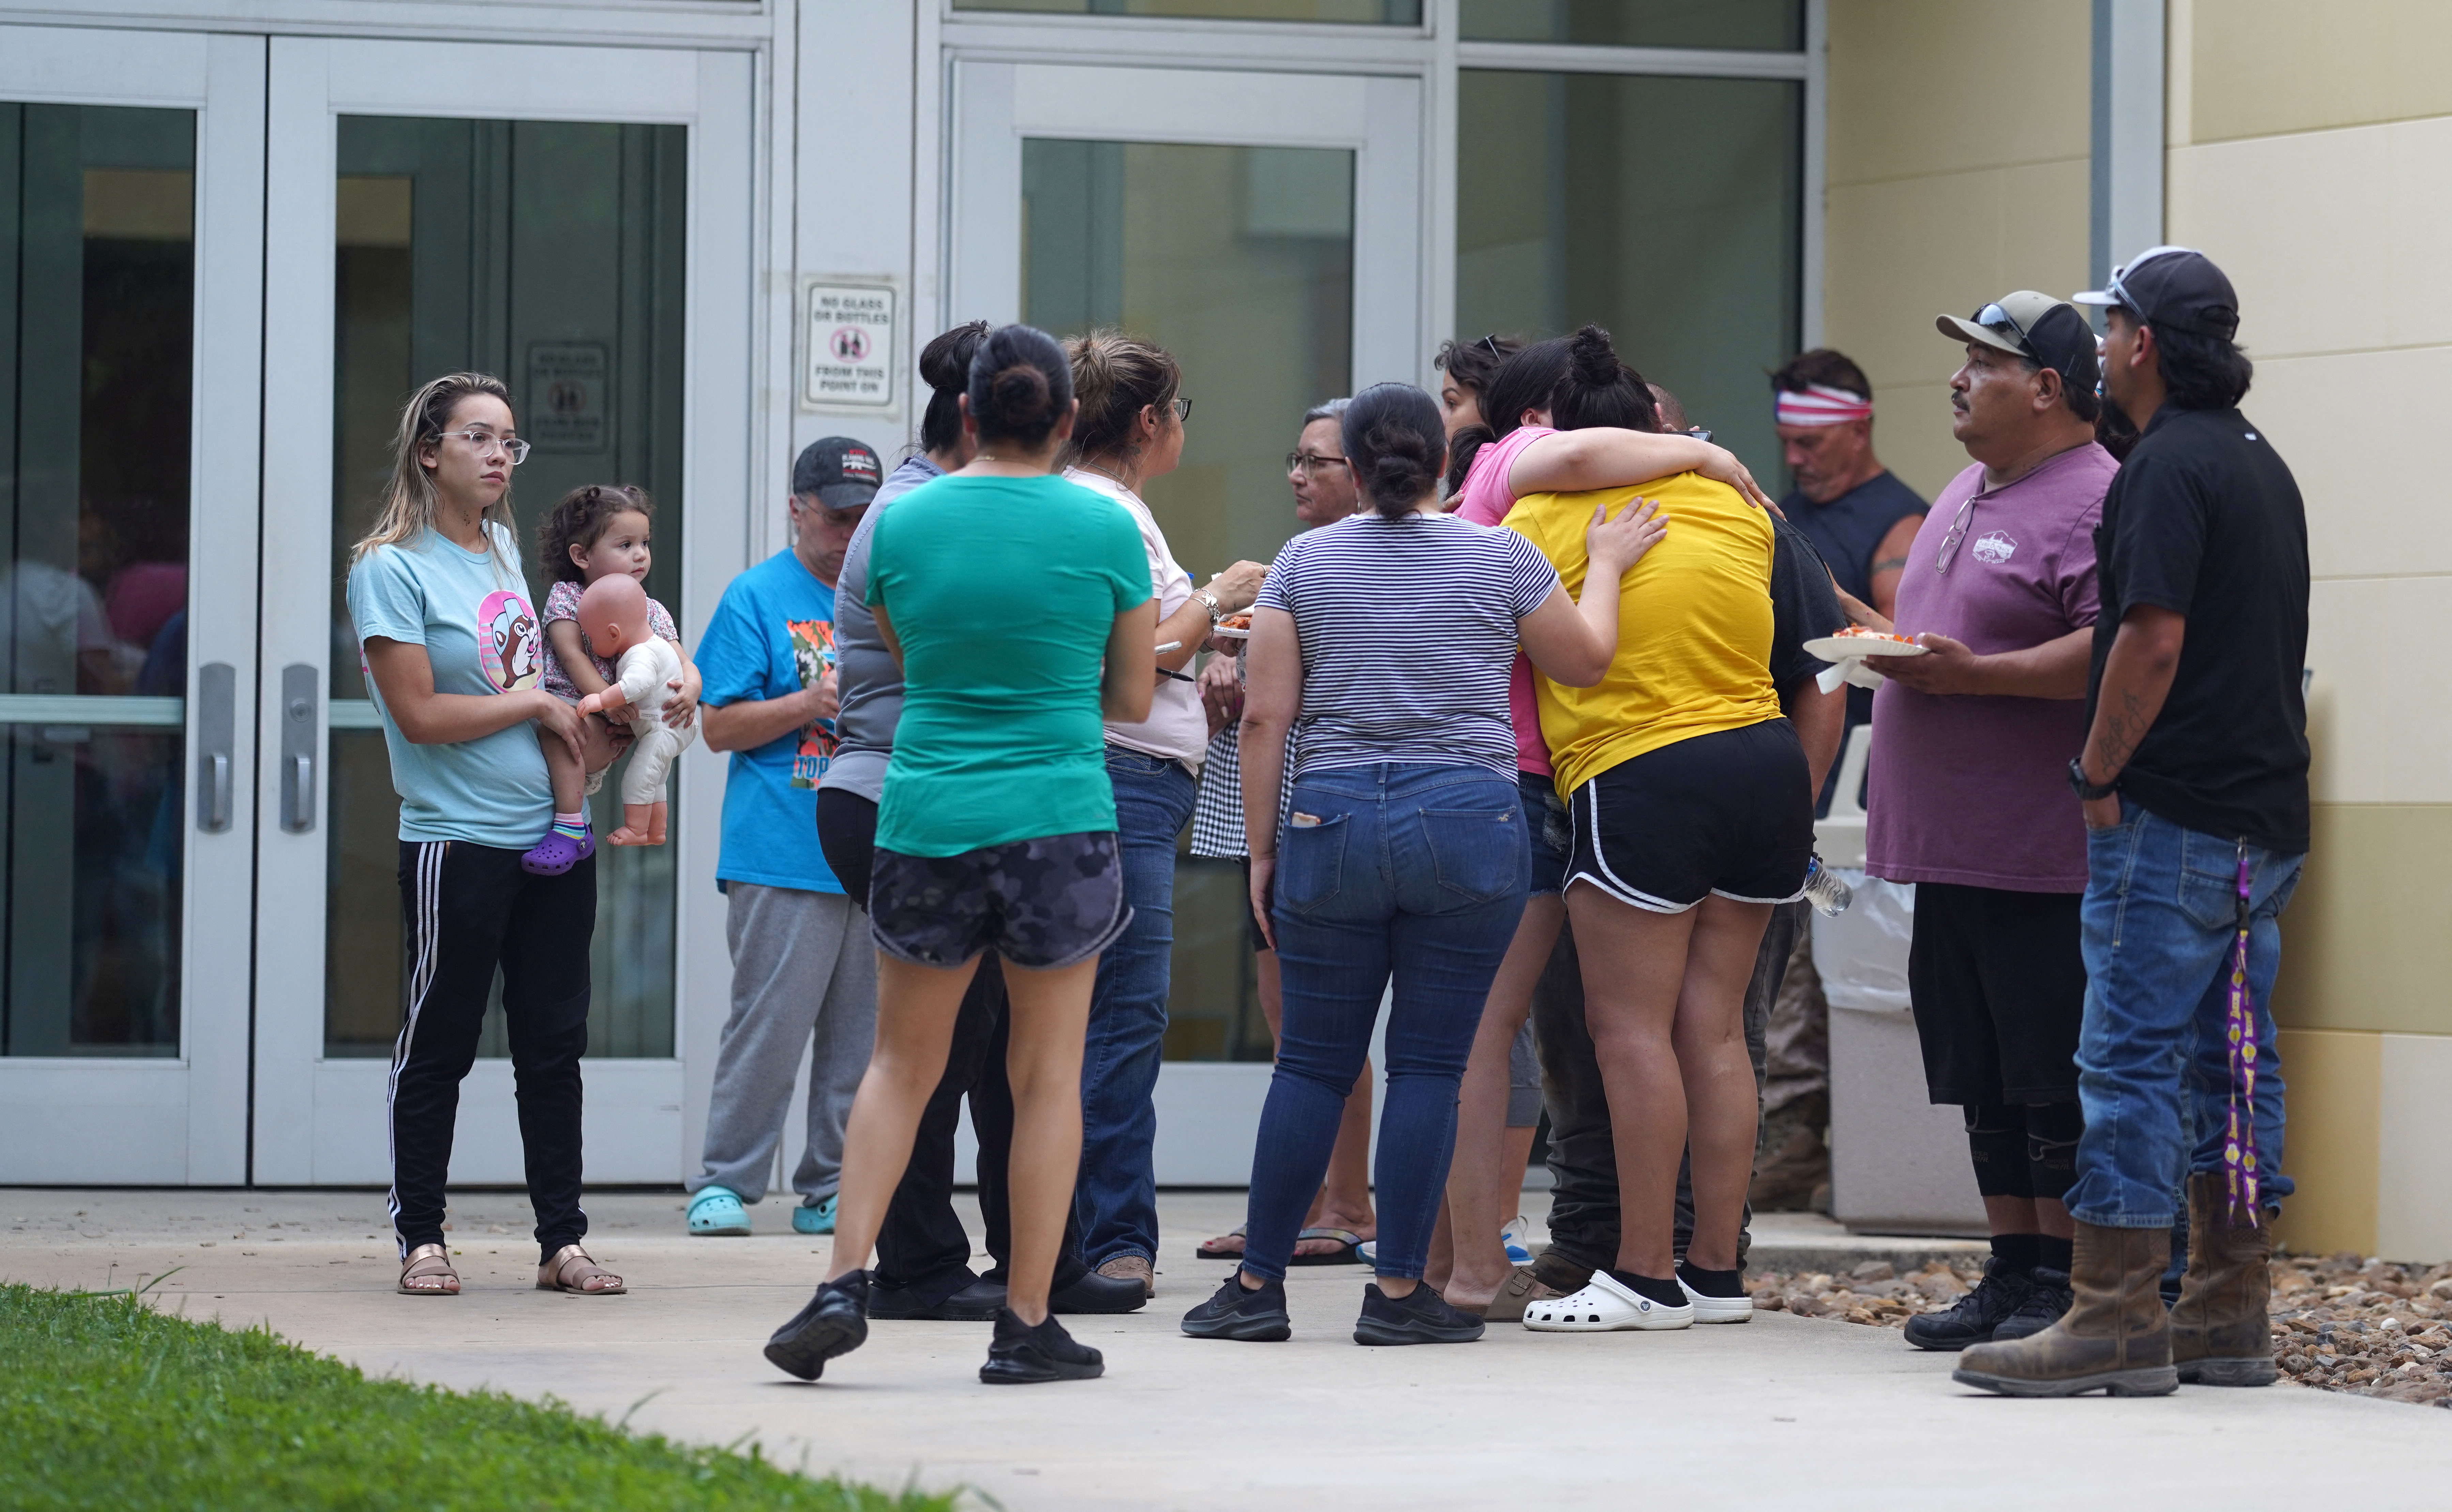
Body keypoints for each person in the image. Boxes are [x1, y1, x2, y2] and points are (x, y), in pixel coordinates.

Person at [1177, 380, 1664, 1347]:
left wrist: (1266, 849)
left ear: (1352, 470)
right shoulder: (1503, 555)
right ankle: (1400, 1294)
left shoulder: (1304, 564)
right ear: (1446, 465)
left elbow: (1269, 712)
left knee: (1311, 1066)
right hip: (1471, 821)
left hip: (1333, 816)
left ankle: (1256, 1284)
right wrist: (1605, 562)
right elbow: (1585, 659)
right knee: (1431, 1067)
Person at [764, 323, 1156, 1387]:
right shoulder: (1104, 525)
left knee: (900, 1063)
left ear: (969, 413)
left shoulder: (897, 522)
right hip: (1058, 817)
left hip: (925, 809)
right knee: (1043, 1078)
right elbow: (1127, 696)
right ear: (1069, 421)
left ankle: (844, 1279)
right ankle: (1027, 1323)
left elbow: (900, 648)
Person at [1958, 247, 2309, 1398]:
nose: (2100, 345)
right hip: (2259, 821)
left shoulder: (2157, 468)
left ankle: (2111, 1312)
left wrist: (2096, 771)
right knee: (2235, 1064)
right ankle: (2225, 1309)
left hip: (2168, 817)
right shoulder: (2259, 464)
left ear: (2142, 343)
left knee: (2125, 1061)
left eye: (2110, 329)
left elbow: (2146, 639)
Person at [1439, 332, 1792, 1315]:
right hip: (1765, 762)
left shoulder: (1534, 516)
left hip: (1643, 767)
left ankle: (1642, 1271)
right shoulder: (1738, 505)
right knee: (1714, 1029)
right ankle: (1715, 1271)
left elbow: (1547, 645)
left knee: (1628, 1030)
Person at [1853, 291, 2115, 1351]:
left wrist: (1980, 679)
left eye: (1983, 364)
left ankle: (2065, 1277)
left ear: (2045, 388)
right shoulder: (1965, 486)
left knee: (2046, 1073)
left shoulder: (2095, 497)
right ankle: (2009, 1268)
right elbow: (1946, 641)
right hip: (1946, 849)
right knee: (1980, 1077)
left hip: (2037, 852)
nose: (1958, 380)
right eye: (1960, 360)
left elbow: (2113, 653)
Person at [347, 371, 629, 1298]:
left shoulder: (505, 551)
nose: (501, 454)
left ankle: (562, 1241)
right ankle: (421, 1236)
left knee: (554, 1043)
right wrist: (534, 705)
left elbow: (538, 679)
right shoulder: (390, 568)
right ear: (431, 452)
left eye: (510, 440)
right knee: (440, 1041)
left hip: (548, 841)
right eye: (480, 437)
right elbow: (421, 714)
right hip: (456, 841)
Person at [1059, 331, 1268, 1297]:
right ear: (1149, 422)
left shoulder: (1083, 506)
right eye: (1179, 411)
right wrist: (1220, 598)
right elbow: (1138, 661)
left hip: (1114, 777)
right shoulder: (1116, 513)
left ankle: (1074, 1234)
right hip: (1125, 780)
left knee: (1082, 1014)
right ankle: (1111, 1238)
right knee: (1122, 1016)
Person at [1191, 399, 1381, 1269]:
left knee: (1326, 1018)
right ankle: (1302, 1198)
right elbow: (1230, 672)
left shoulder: (1383, 564)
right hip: (1268, 814)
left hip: (1334, 809)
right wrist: (1221, 659)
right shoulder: (1286, 569)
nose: (1298, 477)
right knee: (1289, 1018)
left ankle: (1350, 1200)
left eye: (1319, 463)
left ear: (1368, 472)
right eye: (1296, 459)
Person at [681, 438, 882, 1240]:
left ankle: (830, 1183)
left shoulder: (883, 596)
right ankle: (725, 1179)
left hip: (870, 846)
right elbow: (718, 725)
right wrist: (811, 702)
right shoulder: (756, 595)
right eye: (837, 516)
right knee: (768, 1027)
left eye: (865, 517)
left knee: (859, 1039)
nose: (850, 531)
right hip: (781, 849)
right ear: (796, 508)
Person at [522, 485, 699, 872]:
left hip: (618, 719)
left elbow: (683, 661)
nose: (640, 554)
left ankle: (610, 826)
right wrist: (606, 698)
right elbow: (571, 657)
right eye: (625, 544)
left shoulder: (650, 608)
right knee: (560, 728)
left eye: (644, 543)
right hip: (581, 706)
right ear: (581, 555)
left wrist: (692, 689)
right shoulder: (567, 597)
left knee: (648, 758)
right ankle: (571, 826)